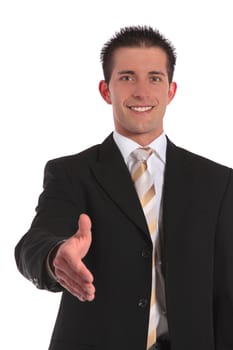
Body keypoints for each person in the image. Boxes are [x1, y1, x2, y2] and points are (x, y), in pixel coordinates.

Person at [15, 25, 233, 350]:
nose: (142, 92)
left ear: (171, 91)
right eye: (127, 77)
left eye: (155, 78)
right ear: (106, 90)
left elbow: (227, 291)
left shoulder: (218, 181)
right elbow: (35, 241)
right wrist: (54, 256)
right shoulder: (71, 173)